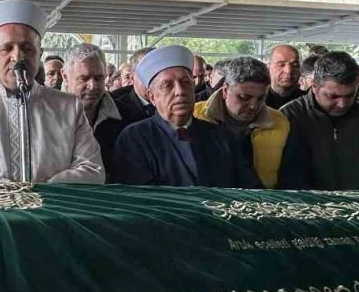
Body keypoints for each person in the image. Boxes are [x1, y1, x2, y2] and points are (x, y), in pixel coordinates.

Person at [0, 0, 103, 184]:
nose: (17, 57)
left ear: (39, 54)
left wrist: (45, 191)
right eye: (6, 48)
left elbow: (92, 170)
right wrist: (5, 190)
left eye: (27, 48)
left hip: (52, 202)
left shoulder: (68, 107)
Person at [115, 46, 258, 188]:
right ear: (152, 97)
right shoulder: (136, 137)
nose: (180, 91)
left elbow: (249, 189)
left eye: (185, 83)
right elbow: (138, 195)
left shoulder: (222, 136)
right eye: (167, 85)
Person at [280, 52, 359, 191]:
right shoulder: (289, 117)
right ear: (314, 86)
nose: (342, 104)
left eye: (350, 95)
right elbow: (285, 176)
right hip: (304, 202)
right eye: (332, 96)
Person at [193, 55, 306, 189]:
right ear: (225, 91)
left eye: (261, 98)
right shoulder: (194, 116)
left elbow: (292, 177)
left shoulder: (280, 122)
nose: (253, 106)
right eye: (244, 97)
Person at [63, 43, 124, 181]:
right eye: (84, 79)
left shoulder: (127, 116)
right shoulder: (45, 116)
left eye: (99, 78)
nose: (93, 86)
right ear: (65, 76)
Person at [110, 46, 156, 125]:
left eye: (157, 73)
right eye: (147, 73)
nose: (155, 79)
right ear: (132, 78)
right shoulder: (115, 106)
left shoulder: (172, 98)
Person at [265, 44, 302, 109]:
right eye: (281, 65)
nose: (289, 71)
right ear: (268, 67)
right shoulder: (257, 101)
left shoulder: (310, 103)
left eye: (294, 65)